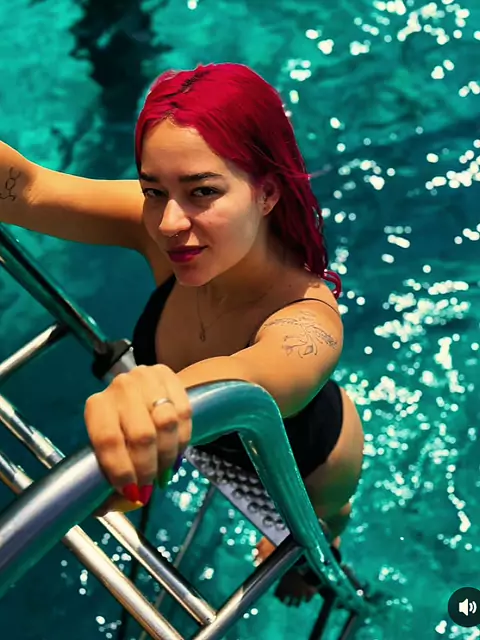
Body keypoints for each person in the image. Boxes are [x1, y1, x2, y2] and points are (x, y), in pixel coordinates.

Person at [0, 62, 364, 606]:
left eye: (203, 191)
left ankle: (322, 550)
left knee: (311, 542)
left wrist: (154, 397)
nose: (169, 223)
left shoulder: (308, 318)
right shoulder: (164, 224)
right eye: (153, 189)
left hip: (314, 466)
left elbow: (249, 374)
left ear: (267, 192)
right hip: (203, 432)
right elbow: (25, 190)